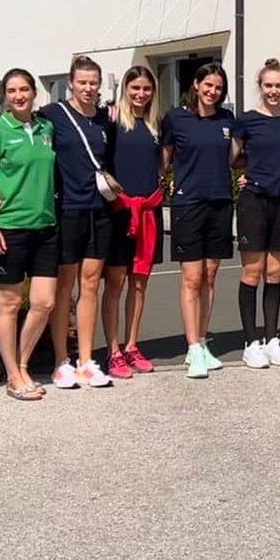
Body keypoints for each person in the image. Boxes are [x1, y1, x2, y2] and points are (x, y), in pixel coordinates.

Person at [0, 68, 59, 400]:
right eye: (11, 91)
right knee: (9, 303)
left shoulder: (46, 128)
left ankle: (23, 364)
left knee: (45, 302)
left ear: (34, 92)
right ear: (4, 96)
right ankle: (13, 375)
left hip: (45, 227)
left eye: (24, 89)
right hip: (9, 229)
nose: (18, 96)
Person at [40, 56, 118, 388]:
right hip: (66, 209)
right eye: (82, 82)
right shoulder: (52, 114)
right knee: (64, 286)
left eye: (93, 82)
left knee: (91, 284)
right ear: (70, 82)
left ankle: (86, 360)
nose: (88, 88)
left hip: (99, 209)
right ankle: (61, 360)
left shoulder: (105, 119)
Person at [163, 62, 236, 378]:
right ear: (196, 84)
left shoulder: (227, 120)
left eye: (218, 87)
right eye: (208, 85)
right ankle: (192, 348)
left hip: (220, 203)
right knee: (192, 277)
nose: (212, 91)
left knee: (210, 275)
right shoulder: (176, 118)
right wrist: (165, 182)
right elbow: (163, 160)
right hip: (188, 205)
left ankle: (203, 342)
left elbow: (236, 158)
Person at [231, 59, 280, 369]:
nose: (273, 91)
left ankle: (271, 339)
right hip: (254, 202)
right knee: (252, 272)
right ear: (260, 87)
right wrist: (245, 174)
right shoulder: (246, 121)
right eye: (268, 85)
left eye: (279, 86)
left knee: (275, 273)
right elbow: (231, 158)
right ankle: (251, 343)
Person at [102, 67, 162, 378]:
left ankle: (132, 345)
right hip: (120, 211)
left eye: (146, 89)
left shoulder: (156, 125)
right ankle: (112, 350)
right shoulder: (112, 121)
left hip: (149, 211)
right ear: (125, 88)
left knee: (140, 283)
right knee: (116, 283)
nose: (141, 94)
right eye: (135, 88)